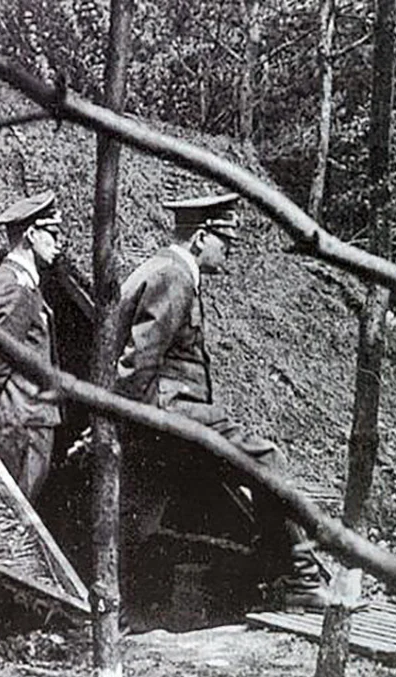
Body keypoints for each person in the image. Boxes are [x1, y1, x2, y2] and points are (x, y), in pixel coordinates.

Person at [115, 191, 329, 610]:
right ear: (199, 238)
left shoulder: (163, 270)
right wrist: (135, 422)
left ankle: (123, 607)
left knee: (139, 513)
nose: (229, 250)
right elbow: (139, 361)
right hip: (169, 412)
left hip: (161, 413)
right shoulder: (172, 277)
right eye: (224, 240)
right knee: (265, 460)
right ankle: (300, 577)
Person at [0, 190, 62, 504]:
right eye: (52, 232)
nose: (60, 240)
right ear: (31, 234)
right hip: (23, 420)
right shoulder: (17, 287)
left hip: (23, 417)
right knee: (17, 511)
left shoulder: (17, 281)